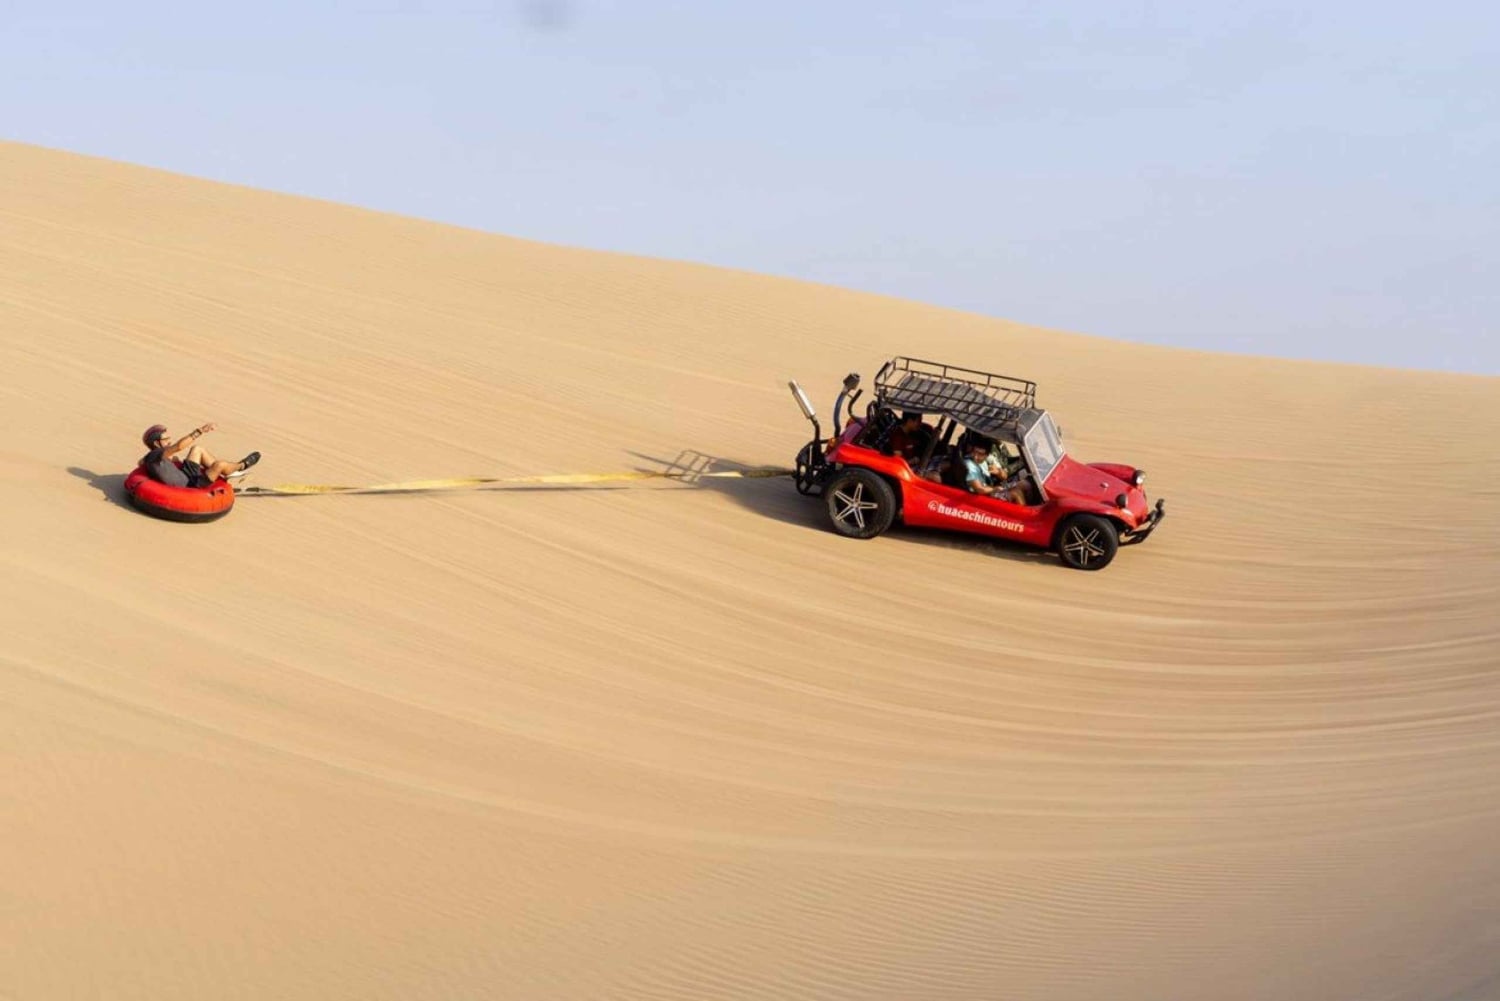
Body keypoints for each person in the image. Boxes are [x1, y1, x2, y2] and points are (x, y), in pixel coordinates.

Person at [140, 423, 259, 488]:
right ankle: (242, 465)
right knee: (219, 464)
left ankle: (229, 472)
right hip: (192, 485)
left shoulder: (153, 458)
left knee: (197, 449)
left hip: (186, 474)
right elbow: (179, 446)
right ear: (156, 443)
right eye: (166, 439)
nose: (169, 441)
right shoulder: (155, 455)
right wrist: (201, 431)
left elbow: (141, 463)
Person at [962, 439, 1027, 504]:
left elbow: (1004, 476)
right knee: (1016, 492)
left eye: (980, 454)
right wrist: (995, 489)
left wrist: (998, 472)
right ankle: (1024, 513)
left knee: (1024, 484)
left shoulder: (988, 459)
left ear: (986, 455)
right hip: (984, 496)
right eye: (974, 452)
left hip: (992, 487)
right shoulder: (970, 465)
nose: (976, 457)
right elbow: (980, 489)